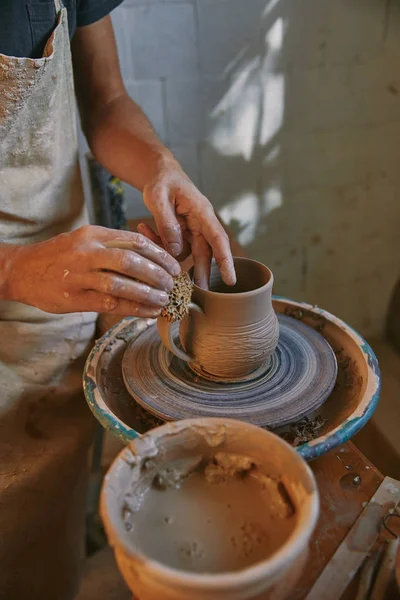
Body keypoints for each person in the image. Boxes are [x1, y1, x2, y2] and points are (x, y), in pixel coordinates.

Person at [0, 1, 236, 598]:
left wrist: (161, 169)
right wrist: (14, 269)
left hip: (59, 294)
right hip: (23, 277)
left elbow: (106, 102)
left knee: (41, 545)